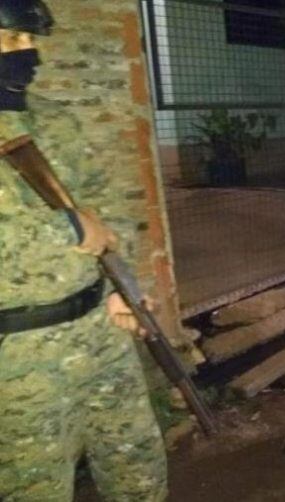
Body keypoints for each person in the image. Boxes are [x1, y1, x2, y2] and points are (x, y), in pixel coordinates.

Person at [0, 1, 168, 500]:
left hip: (100, 331)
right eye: (12, 41)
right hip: (17, 359)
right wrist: (67, 229)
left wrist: (124, 287)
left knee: (139, 469)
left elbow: (107, 211)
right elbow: (77, 223)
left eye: (32, 42)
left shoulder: (55, 122)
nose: (28, 55)